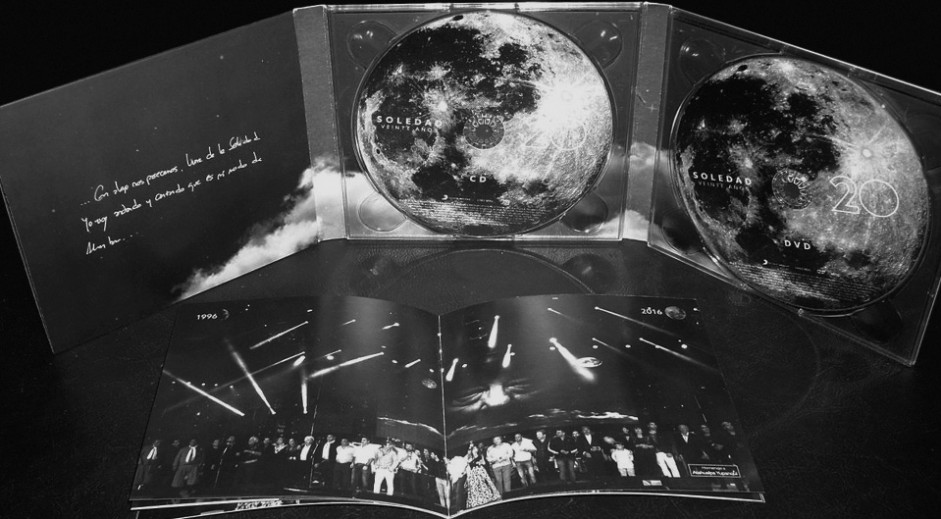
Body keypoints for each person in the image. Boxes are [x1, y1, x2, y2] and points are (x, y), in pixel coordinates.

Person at [465, 443, 501, 508]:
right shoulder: (469, 457)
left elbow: (483, 463)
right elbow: (468, 464)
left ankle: (490, 497)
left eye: (475, 448)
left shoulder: (480, 455)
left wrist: (479, 462)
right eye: (472, 448)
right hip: (473, 473)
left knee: (486, 483)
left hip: (480, 470)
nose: (474, 449)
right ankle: (478, 500)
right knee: (476, 486)